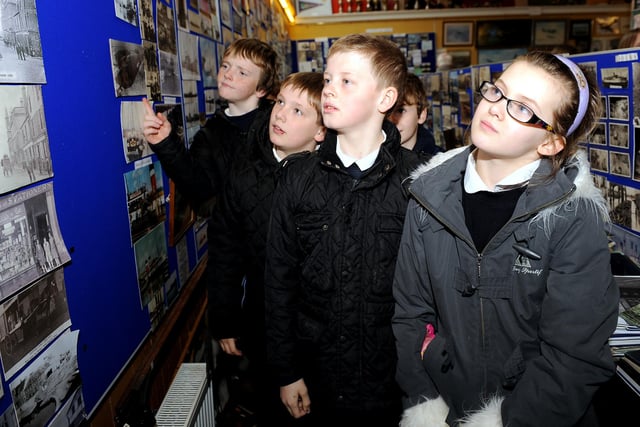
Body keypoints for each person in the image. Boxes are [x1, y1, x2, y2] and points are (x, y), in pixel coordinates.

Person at [392, 51, 620, 426]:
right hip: (444, 405)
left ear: (550, 144)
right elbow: (409, 314)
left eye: (524, 110)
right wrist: (423, 403)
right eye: (498, 92)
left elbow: (574, 356)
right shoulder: (427, 195)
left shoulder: (573, 216)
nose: (495, 108)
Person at [264, 33, 422, 427]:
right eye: (328, 78)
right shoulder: (297, 179)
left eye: (346, 81)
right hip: (316, 374)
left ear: (385, 100)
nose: (329, 89)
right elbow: (278, 283)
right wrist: (286, 371)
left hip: (393, 382)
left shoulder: (417, 182)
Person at [209, 71, 326, 426]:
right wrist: (225, 318)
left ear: (321, 131)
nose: (280, 115)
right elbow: (225, 249)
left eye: (298, 111)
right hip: (261, 320)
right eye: (280, 104)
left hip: (317, 331)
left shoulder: (329, 180)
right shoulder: (244, 173)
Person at [142, 37, 280, 216]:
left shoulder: (277, 123)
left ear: (261, 89)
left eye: (242, 72)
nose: (228, 74)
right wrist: (166, 142)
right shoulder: (210, 133)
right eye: (225, 66)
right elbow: (199, 187)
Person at [389, 72, 443, 157]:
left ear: (421, 115)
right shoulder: (369, 160)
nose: (391, 119)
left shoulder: (441, 164)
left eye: (400, 110)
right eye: (387, 111)